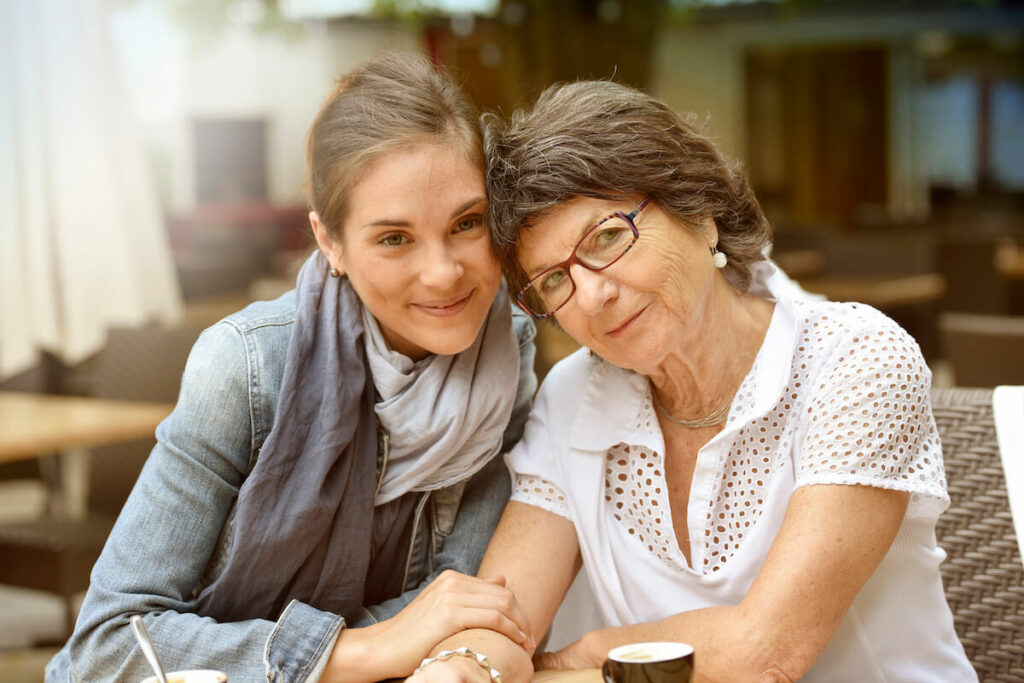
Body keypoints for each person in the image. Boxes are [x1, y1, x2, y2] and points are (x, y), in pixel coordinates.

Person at [410, 80, 976, 683]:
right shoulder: (574, 395)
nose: (593, 295)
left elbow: (765, 657)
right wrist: (461, 667)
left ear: (699, 211)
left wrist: (585, 654)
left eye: (607, 238)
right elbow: (503, 618)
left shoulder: (855, 359)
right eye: (553, 281)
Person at [45, 53, 539, 683]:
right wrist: (364, 648)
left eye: (466, 224)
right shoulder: (249, 366)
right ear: (329, 242)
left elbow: (464, 605)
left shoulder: (505, 358)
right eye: (394, 238)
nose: (443, 273)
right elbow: (109, 644)